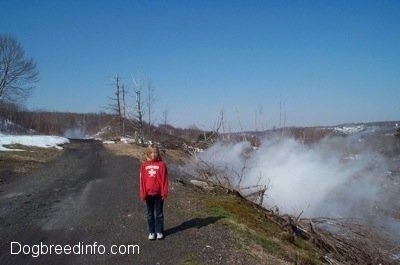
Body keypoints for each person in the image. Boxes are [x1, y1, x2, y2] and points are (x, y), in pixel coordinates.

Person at [139, 143, 169, 240]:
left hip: (159, 194)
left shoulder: (162, 165)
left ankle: (159, 231)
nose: (153, 154)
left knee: (159, 214)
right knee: (150, 214)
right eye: (151, 152)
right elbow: (142, 180)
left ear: (158, 153)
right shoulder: (144, 165)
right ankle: (152, 232)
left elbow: (165, 180)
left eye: (155, 152)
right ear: (147, 153)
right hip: (148, 194)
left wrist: (164, 192)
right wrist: (143, 193)